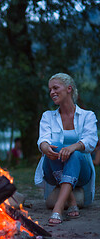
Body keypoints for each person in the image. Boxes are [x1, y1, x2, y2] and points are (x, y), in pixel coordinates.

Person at [34, 73, 98, 226]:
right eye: (50, 90)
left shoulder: (87, 116)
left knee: (74, 154)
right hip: (52, 167)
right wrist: (45, 146)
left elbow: (91, 141)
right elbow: (43, 139)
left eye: (56, 88)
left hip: (82, 172)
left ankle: (57, 208)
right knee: (56, 145)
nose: (52, 92)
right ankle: (72, 200)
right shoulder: (47, 116)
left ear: (69, 89)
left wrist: (73, 147)